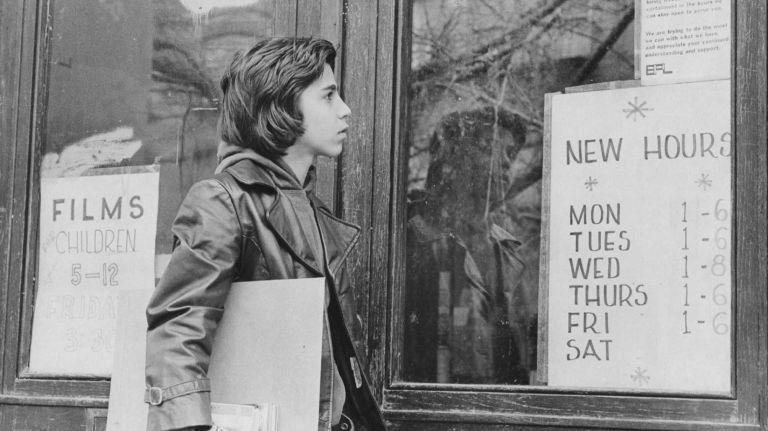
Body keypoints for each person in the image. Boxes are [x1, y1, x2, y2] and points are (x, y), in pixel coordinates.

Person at [144, 37, 386, 431]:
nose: (345, 110)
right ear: (283, 106)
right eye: (328, 96)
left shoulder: (313, 209)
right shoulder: (221, 200)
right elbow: (179, 327)